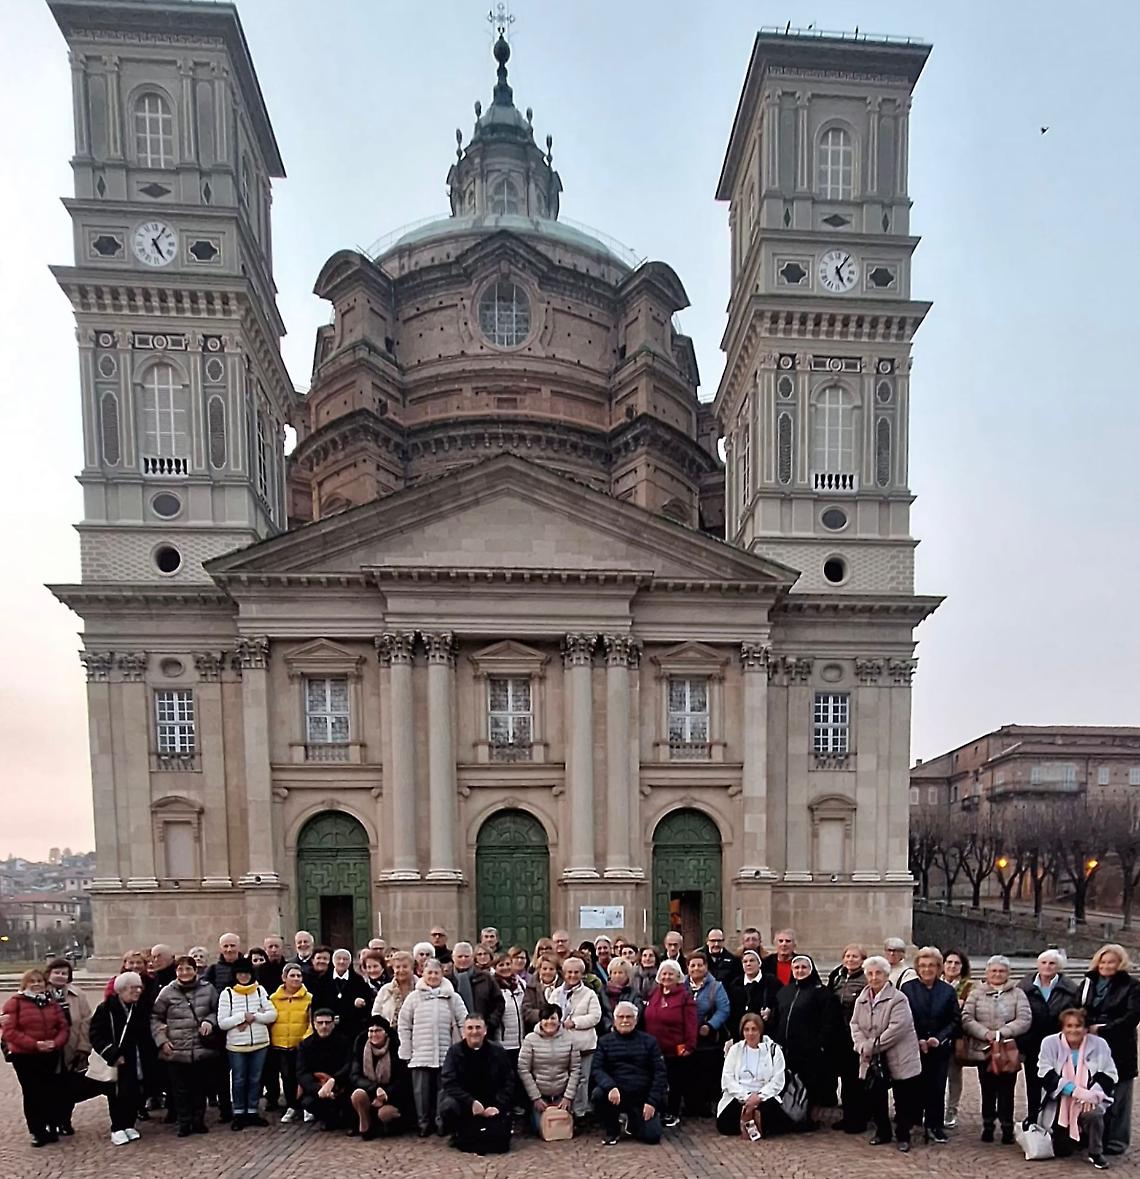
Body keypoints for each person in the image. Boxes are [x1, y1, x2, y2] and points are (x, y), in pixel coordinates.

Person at [850, 954, 922, 1152]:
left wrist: (871, 1045)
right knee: (876, 1096)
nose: (874, 977)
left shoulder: (898, 998)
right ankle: (882, 1132)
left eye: (878, 973)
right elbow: (855, 1024)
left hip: (899, 1055)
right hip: (872, 1057)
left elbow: (897, 1028)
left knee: (903, 1099)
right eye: (870, 973)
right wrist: (861, 1045)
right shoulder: (862, 998)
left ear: (886, 975)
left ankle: (903, 1135)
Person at [961, 953, 1032, 1145]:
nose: (997, 974)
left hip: (1008, 1050)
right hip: (984, 1048)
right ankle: (988, 1125)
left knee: (1007, 1090)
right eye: (994, 970)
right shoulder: (977, 993)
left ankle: (1007, 1126)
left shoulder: (1017, 993)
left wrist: (1003, 1032)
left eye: (1001, 971)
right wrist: (985, 1033)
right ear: (987, 972)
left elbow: (1024, 1019)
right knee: (987, 1089)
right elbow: (967, 1018)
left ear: (1008, 973)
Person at [1037, 1007, 1117, 1170]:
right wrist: (1078, 1092)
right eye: (1069, 1026)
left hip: (1092, 1097)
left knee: (1094, 1113)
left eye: (1078, 1026)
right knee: (1062, 1150)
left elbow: (1109, 1073)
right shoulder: (1050, 1043)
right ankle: (1072, 1137)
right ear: (1063, 1027)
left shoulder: (1099, 1044)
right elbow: (1045, 1073)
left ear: (1086, 1028)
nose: (1073, 1030)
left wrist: (1091, 1096)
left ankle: (1095, 1152)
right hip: (1061, 1101)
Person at [1079, 943, 1140, 1156]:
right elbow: (1078, 1006)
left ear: (1120, 963)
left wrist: (1103, 1029)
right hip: (1090, 1044)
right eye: (1103, 961)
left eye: (1111, 962)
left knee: (1120, 1095)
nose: (1106, 966)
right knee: (1092, 1090)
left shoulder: (1131, 986)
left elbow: (1132, 1016)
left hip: (1118, 1044)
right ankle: (1092, 1138)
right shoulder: (1089, 982)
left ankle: (1116, 1141)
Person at [150, 954, 219, 1137]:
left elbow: (216, 1010)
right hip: (176, 1048)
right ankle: (184, 1122)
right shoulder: (167, 992)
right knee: (180, 1090)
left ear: (195, 970)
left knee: (200, 1088)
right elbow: (155, 1017)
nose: (184, 972)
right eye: (180, 969)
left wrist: (210, 1022)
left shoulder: (208, 989)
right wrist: (162, 1041)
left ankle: (198, 1120)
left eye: (188, 968)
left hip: (200, 1047)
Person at [397, 958, 468, 1136]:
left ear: (442, 974)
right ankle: (423, 1123)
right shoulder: (414, 998)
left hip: (446, 1052)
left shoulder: (452, 997)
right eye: (430, 972)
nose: (433, 976)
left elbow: (463, 1021)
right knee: (421, 1093)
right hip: (421, 1053)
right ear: (422, 973)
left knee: (443, 1091)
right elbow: (404, 1024)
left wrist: (462, 1046)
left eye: (436, 973)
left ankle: (440, 1122)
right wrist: (406, 1048)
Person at [1, 968, 68, 1147]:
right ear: (25, 984)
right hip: (25, 1056)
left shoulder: (51, 1003)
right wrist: (35, 1044)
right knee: (32, 1093)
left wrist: (55, 1043)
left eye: (40, 981)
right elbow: (9, 1032)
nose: (37, 984)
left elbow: (63, 1027)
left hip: (50, 1053)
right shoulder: (14, 1003)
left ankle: (52, 1126)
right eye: (32, 981)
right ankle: (37, 1131)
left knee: (50, 1091)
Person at [770, 953, 839, 1124]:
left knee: (810, 1085)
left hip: (810, 1050)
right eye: (796, 968)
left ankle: (809, 1117)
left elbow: (829, 1022)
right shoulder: (784, 992)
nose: (800, 971)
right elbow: (777, 1018)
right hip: (786, 1048)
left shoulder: (822, 993)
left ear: (811, 969)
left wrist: (821, 1044)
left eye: (803, 967)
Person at [901, 947, 959, 1143]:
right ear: (917, 967)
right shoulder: (908, 988)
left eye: (931, 966)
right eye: (923, 966)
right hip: (913, 1044)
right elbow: (904, 1017)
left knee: (936, 1086)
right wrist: (917, 1038)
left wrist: (939, 1038)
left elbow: (954, 1020)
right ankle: (913, 1121)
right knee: (913, 1085)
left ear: (939, 968)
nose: (927, 969)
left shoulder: (948, 991)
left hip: (938, 1047)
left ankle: (935, 1124)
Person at [590, 1001, 667, 1145]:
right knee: (598, 1094)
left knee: (652, 1137)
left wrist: (652, 1102)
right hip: (616, 1094)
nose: (625, 1020)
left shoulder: (649, 1042)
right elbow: (597, 1069)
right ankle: (612, 1129)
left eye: (629, 1017)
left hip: (642, 1096)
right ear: (614, 1020)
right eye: (621, 1017)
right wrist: (610, 1086)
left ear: (636, 1020)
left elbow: (660, 1074)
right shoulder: (604, 1042)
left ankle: (632, 1120)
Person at [1019, 948, 1080, 1127]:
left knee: (1057, 1082)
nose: (1047, 966)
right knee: (1033, 1083)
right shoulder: (1025, 987)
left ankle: (1056, 1121)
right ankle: (1033, 1117)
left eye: (1052, 963)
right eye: (1044, 963)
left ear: (1058, 967)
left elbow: (1074, 1015)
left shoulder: (1069, 989)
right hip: (1032, 1043)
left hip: (1060, 1044)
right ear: (1038, 965)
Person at [217, 954, 277, 1129]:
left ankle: (252, 1111)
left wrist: (255, 1016)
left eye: (247, 973)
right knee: (239, 1079)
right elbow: (222, 1022)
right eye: (240, 973)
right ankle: (239, 1112)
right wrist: (241, 1017)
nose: (244, 977)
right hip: (237, 1045)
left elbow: (272, 1014)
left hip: (260, 1043)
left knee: (255, 1079)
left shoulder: (260, 991)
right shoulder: (227, 994)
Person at [440, 1013, 514, 1154]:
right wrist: (471, 1102)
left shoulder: (497, 1051)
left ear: (485, 1030)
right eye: (470, 1028)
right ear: (464, 1031)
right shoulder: (454, 1052)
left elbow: (509, 1081)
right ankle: (455, 1132)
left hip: (493, 1103)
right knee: (448, 1105)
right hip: (465, 1103)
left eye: (478, 1027)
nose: (474, 1032)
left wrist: (498, 1106)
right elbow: (449, 1082)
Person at [89, 971, 147, 1145]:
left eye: (139, 987)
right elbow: (95, 1034)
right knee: (117, 1094)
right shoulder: (106, 1008)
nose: (137, 991)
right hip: (117, 1058)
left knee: (134, 1092)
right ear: (121, 990)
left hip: (136, 1058)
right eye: (133, 988)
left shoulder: (139, 1007)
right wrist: (112, 1053)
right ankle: (117, 1127)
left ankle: (129, 1124)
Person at [642, 959, 697, 1128]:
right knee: (655, 1080)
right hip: (654, 1048)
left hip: (676, 1048)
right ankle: (657, 1109)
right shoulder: (655, 993)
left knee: (675, 1082)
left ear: (678, 976)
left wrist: (689, 1045)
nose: (667, 977)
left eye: (670, 974)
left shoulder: (684, 997)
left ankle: (673, 1112)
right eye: (664, 974)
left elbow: (691, 1023)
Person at [717, 1012, 789, 1139]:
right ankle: (750, 1121)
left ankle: (754, 1122)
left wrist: (759, 1097)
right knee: (725, 1124)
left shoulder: (773, 1050)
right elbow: (727, 1079)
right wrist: (747, 1096)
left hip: (764, 1096)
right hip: (739, 1096)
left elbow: (777, 1080)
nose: (750, 1033)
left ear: (760, 1030)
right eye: (747, 1030)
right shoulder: (735, 1050)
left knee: (773, 1120)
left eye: (754, 1029)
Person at [546, 955, 602, 1118]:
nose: (572, 975)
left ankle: (580, 1112)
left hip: (583, 1045)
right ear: (563, 973)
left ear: (582, 974)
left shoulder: (589, 994)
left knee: (582, 1080)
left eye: (576, 972)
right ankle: (565, 1111)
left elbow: (595, 1016)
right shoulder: (556, 993)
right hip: (561, 1044)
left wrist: (575, 1022)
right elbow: (549, 1014)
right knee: (565, 1079)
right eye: (569, 972)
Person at [45, 956, 93, 1136]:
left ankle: (64, 1120)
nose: (60, 976)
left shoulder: (78, 995)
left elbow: (86, 1022)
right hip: (48, 1049)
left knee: (68, 1088)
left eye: (64, 973)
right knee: (48, 1087)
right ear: (48, 974)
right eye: (56, 972)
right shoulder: (41, 993)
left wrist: (83, 1047)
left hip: (71, 1048)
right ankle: (50, 1121)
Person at [517, 1002, 581, 1134]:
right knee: (540, 1129)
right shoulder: (530, 1040)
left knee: (562, 1130)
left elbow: (575, 1069)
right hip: (540, 1096)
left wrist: (568, 1097)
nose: (549, 1022)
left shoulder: (570, 1039)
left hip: (561, 1095)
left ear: (559, 1020)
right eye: (545, 1018)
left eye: (553, 1018)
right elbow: (523, 1069)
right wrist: (536, 1098)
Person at [827, 943, 868, 1133]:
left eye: (855, 957)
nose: (850, 960)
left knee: (856, 1079)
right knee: (845, 1077)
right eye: (848, 956)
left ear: (862, 960)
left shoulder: (866, 978)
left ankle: (858, 1118)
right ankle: (847, 1115)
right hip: (839, 1035)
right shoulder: (837, 976)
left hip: (858, 1034)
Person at [348, 1015, 411, 1138]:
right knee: (358, 1094)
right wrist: (375, 1088)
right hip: (369, 1093)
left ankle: (384, 1127)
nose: (373, 1034)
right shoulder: (361, 1048)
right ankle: (364, 1127)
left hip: (391, 1097)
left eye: (378, 1031)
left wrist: (385, 1094)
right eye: (371, 1031)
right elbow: (355, 1076)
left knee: (386, 1114)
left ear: (386, 1033)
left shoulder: (396, 1049)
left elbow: (402, 1079)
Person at [686, 950, 731, 1116]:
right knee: (689, 1071)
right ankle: (691, 1105)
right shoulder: (681, 985)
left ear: (706, 967)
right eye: (693, 965)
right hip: (687, 1036)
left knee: (706, 1072)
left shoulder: (716, 986)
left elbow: (724, 1009)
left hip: (707, 1037)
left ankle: (705, 1105)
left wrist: (711, 1025)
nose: (696, 968)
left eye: (700, 965)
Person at [268, 962, 313, 1123]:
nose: (296, 979)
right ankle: (292, 1106)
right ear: (284, 978)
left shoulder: (309, 998)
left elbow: (310, 1022)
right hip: (280, 1045)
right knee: (287, 1078)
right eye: (292, 976)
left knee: (303, 1077)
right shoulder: (273, 998)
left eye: (298, 976)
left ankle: (307, 1107)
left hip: (300, 1046)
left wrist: (304, 1040)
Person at [297, 1008, 351, 1129]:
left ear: (333, 1024)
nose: (324, 1026)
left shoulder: (344, 1041)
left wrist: (334, 1082)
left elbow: (349, 1066)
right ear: (314, 1024)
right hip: (318, 1088)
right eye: (320, 1023)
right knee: (308, 1102)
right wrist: (319, 1089)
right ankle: (328, 1118)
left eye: (327, 1022)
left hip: (341, 1084)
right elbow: (302, 1073)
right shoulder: (305, 1045)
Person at [941, 947, 973, 1128]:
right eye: (949, 962)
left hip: (956, 1037)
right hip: (936, 1036)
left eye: (957, 963)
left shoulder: (968, 986)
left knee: (953, 1076)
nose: (952, 966)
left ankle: (952, 1109)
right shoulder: (935, 982)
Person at [447, 941, 503, 1034]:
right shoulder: (446, 981)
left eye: (467, 956)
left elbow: (499, 1003)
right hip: (454, 1033)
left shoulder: (486, 978)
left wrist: (490, 1023)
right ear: (453, 958)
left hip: (484, 1032)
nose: (463, 959)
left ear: (473, 958)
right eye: (460, 957)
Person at [316, 948, 372, 1041]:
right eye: (338, 958)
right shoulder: (323, 980)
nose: (341, 962)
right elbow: (317, 1004)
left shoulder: (358, 981)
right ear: (333, 961)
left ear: (350, 962)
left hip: (352, 1030)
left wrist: (361, 1003)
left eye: (345, 959)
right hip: (328, 1029)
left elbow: (366, 1004)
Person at [373, 949, 415, 1025]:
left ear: (412, 968)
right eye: (398, 967)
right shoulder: (385, 990)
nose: (401, 970)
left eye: (405, 966)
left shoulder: (421, 988)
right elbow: (376, 1014)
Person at [523, 953, 561, 1033]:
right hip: (537, 1031)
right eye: (544, 969)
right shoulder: (531, 986)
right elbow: (526, 1011)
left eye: (551, 969)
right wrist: (545, 1016)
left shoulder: (563, 986)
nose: (547, 972)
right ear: (539, 969)